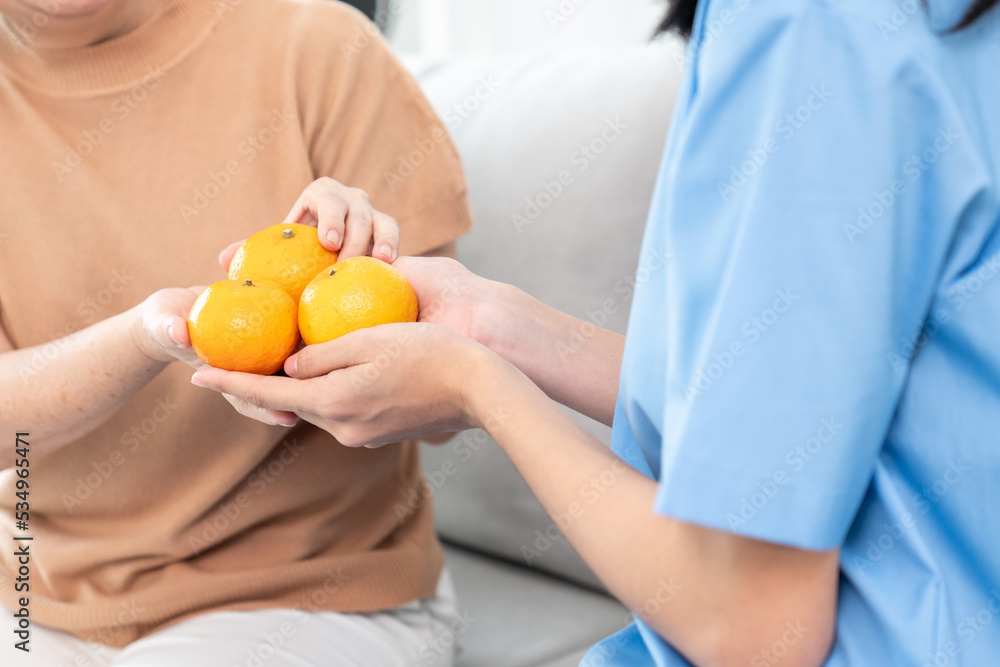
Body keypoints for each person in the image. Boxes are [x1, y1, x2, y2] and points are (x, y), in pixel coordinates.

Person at [191, 0, 1000, 665]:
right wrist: (501, 329)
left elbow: (750, 622)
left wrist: (476, 384)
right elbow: (818, 422)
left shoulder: (812, 31)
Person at [0, 0, 472, 665]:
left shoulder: (316, 45)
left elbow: (451, 402)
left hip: (308, 595)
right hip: (35, 599)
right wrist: (146, 337)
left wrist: (359, 321)